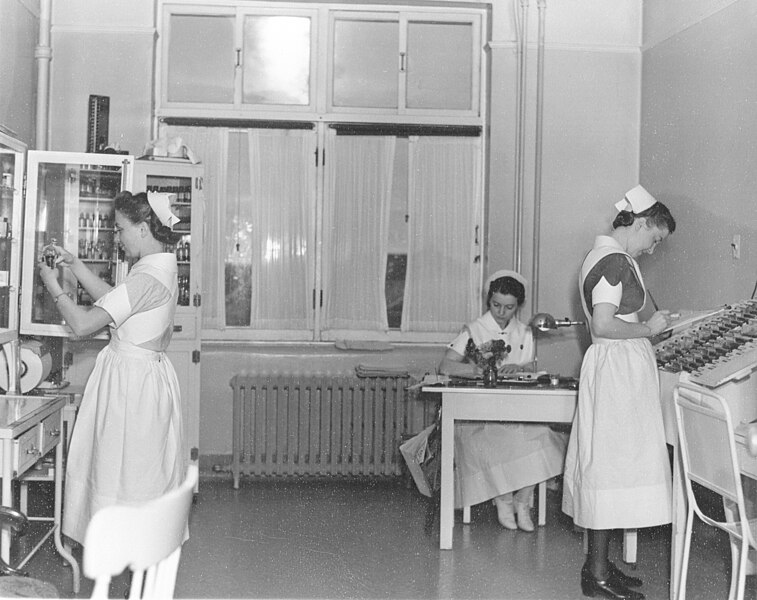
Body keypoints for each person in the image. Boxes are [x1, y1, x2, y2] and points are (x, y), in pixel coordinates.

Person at [38, 190, 187, 546]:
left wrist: (51, 284)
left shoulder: (147, 278)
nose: (116, 238)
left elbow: (85, 324)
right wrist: (73, 264)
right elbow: (116, 300)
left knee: (129, 477)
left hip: (132, 386)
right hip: (139, 378)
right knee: (129, 475)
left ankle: (132, 558)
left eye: (120, 229)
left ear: (143, 227)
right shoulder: (157, 267)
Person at [561, 185, 676, 600]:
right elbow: (604, 325)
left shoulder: (605, 256)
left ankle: (600, 564)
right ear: (642, 223)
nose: (652, 249)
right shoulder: (613, 260)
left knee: (611, 468)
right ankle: (597, 577)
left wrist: (655, 323)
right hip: (617, 371)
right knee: (610, 470)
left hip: (615, 370)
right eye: (654, 239)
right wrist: (650, 330)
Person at [438, 270, 568, 532]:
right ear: (489, 302)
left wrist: (519, 369)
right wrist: (477, 370)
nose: (501, 312)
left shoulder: (525, 332)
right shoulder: (474, 329)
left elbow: (531, 367)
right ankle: (503, 499)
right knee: (503, 441)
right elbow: (445, 366)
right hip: (479, 415)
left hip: (516, 410)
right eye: (496, 305)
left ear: (517, 306)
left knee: (545, 437)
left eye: (509, 307)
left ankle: (522, 500)